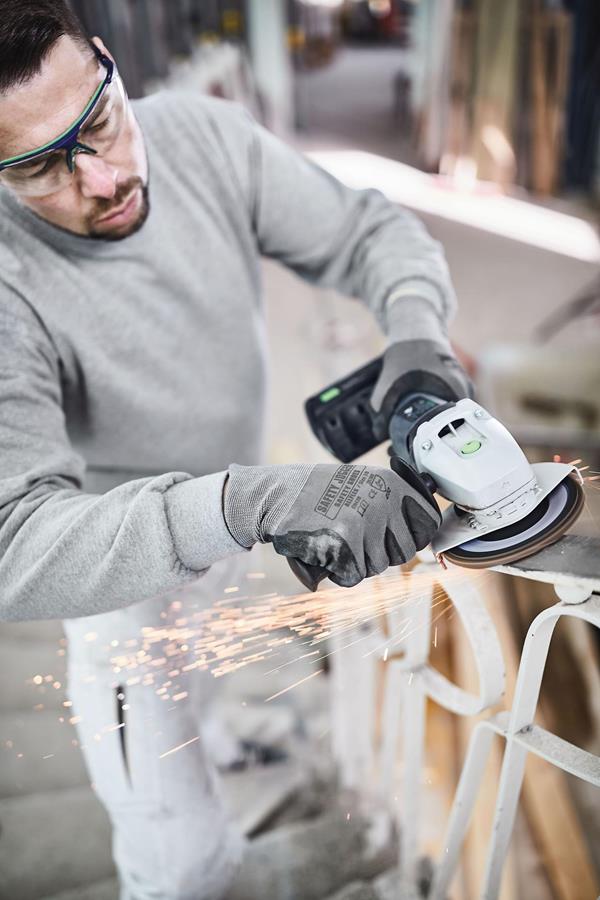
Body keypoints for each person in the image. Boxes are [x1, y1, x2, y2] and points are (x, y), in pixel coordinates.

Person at [0, 3, 470, 898]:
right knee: (179, 866)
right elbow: (12, 541)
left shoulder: (202, 137)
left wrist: (417, 329)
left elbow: (366, 232)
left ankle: (211, 736)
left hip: (224, 524)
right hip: (121, 587)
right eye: (38, 167)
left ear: (106, 59)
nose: (103, 179)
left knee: (205, 679)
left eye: (99, 121)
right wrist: (245, 502)